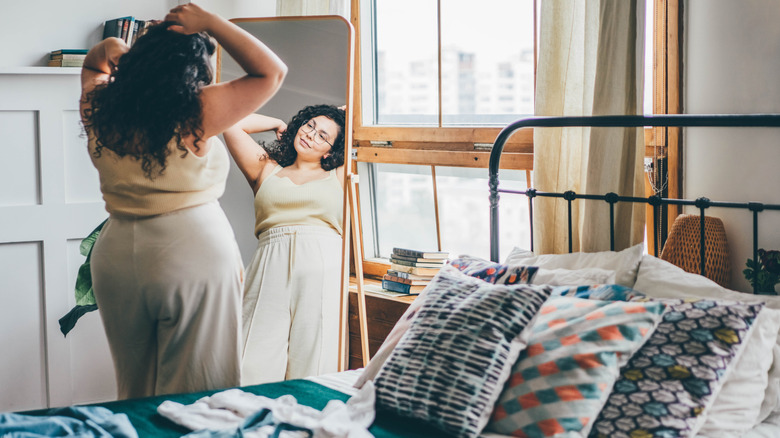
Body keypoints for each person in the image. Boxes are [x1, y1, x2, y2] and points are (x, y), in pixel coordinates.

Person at [80, 3, 287, 399]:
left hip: (118, 254)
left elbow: (95, 61)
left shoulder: (103, 106)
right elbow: (271, 71)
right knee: (199, 389)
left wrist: (125, 51)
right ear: (193, 71)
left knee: (134, 387)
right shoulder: (194, 111)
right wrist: (209, 22)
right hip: (190, 251)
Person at [222, 104, 346, 385]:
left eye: (322, 135)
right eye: (309, 125)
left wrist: (348, 114)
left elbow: (365, 136)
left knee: (314, 363)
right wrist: (278, 122)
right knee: (250, 361)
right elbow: (230, 121)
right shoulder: (265, 168)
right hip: (270, 261)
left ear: (330, 151)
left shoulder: (338, 175)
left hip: (323, 264)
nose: (311, 134)